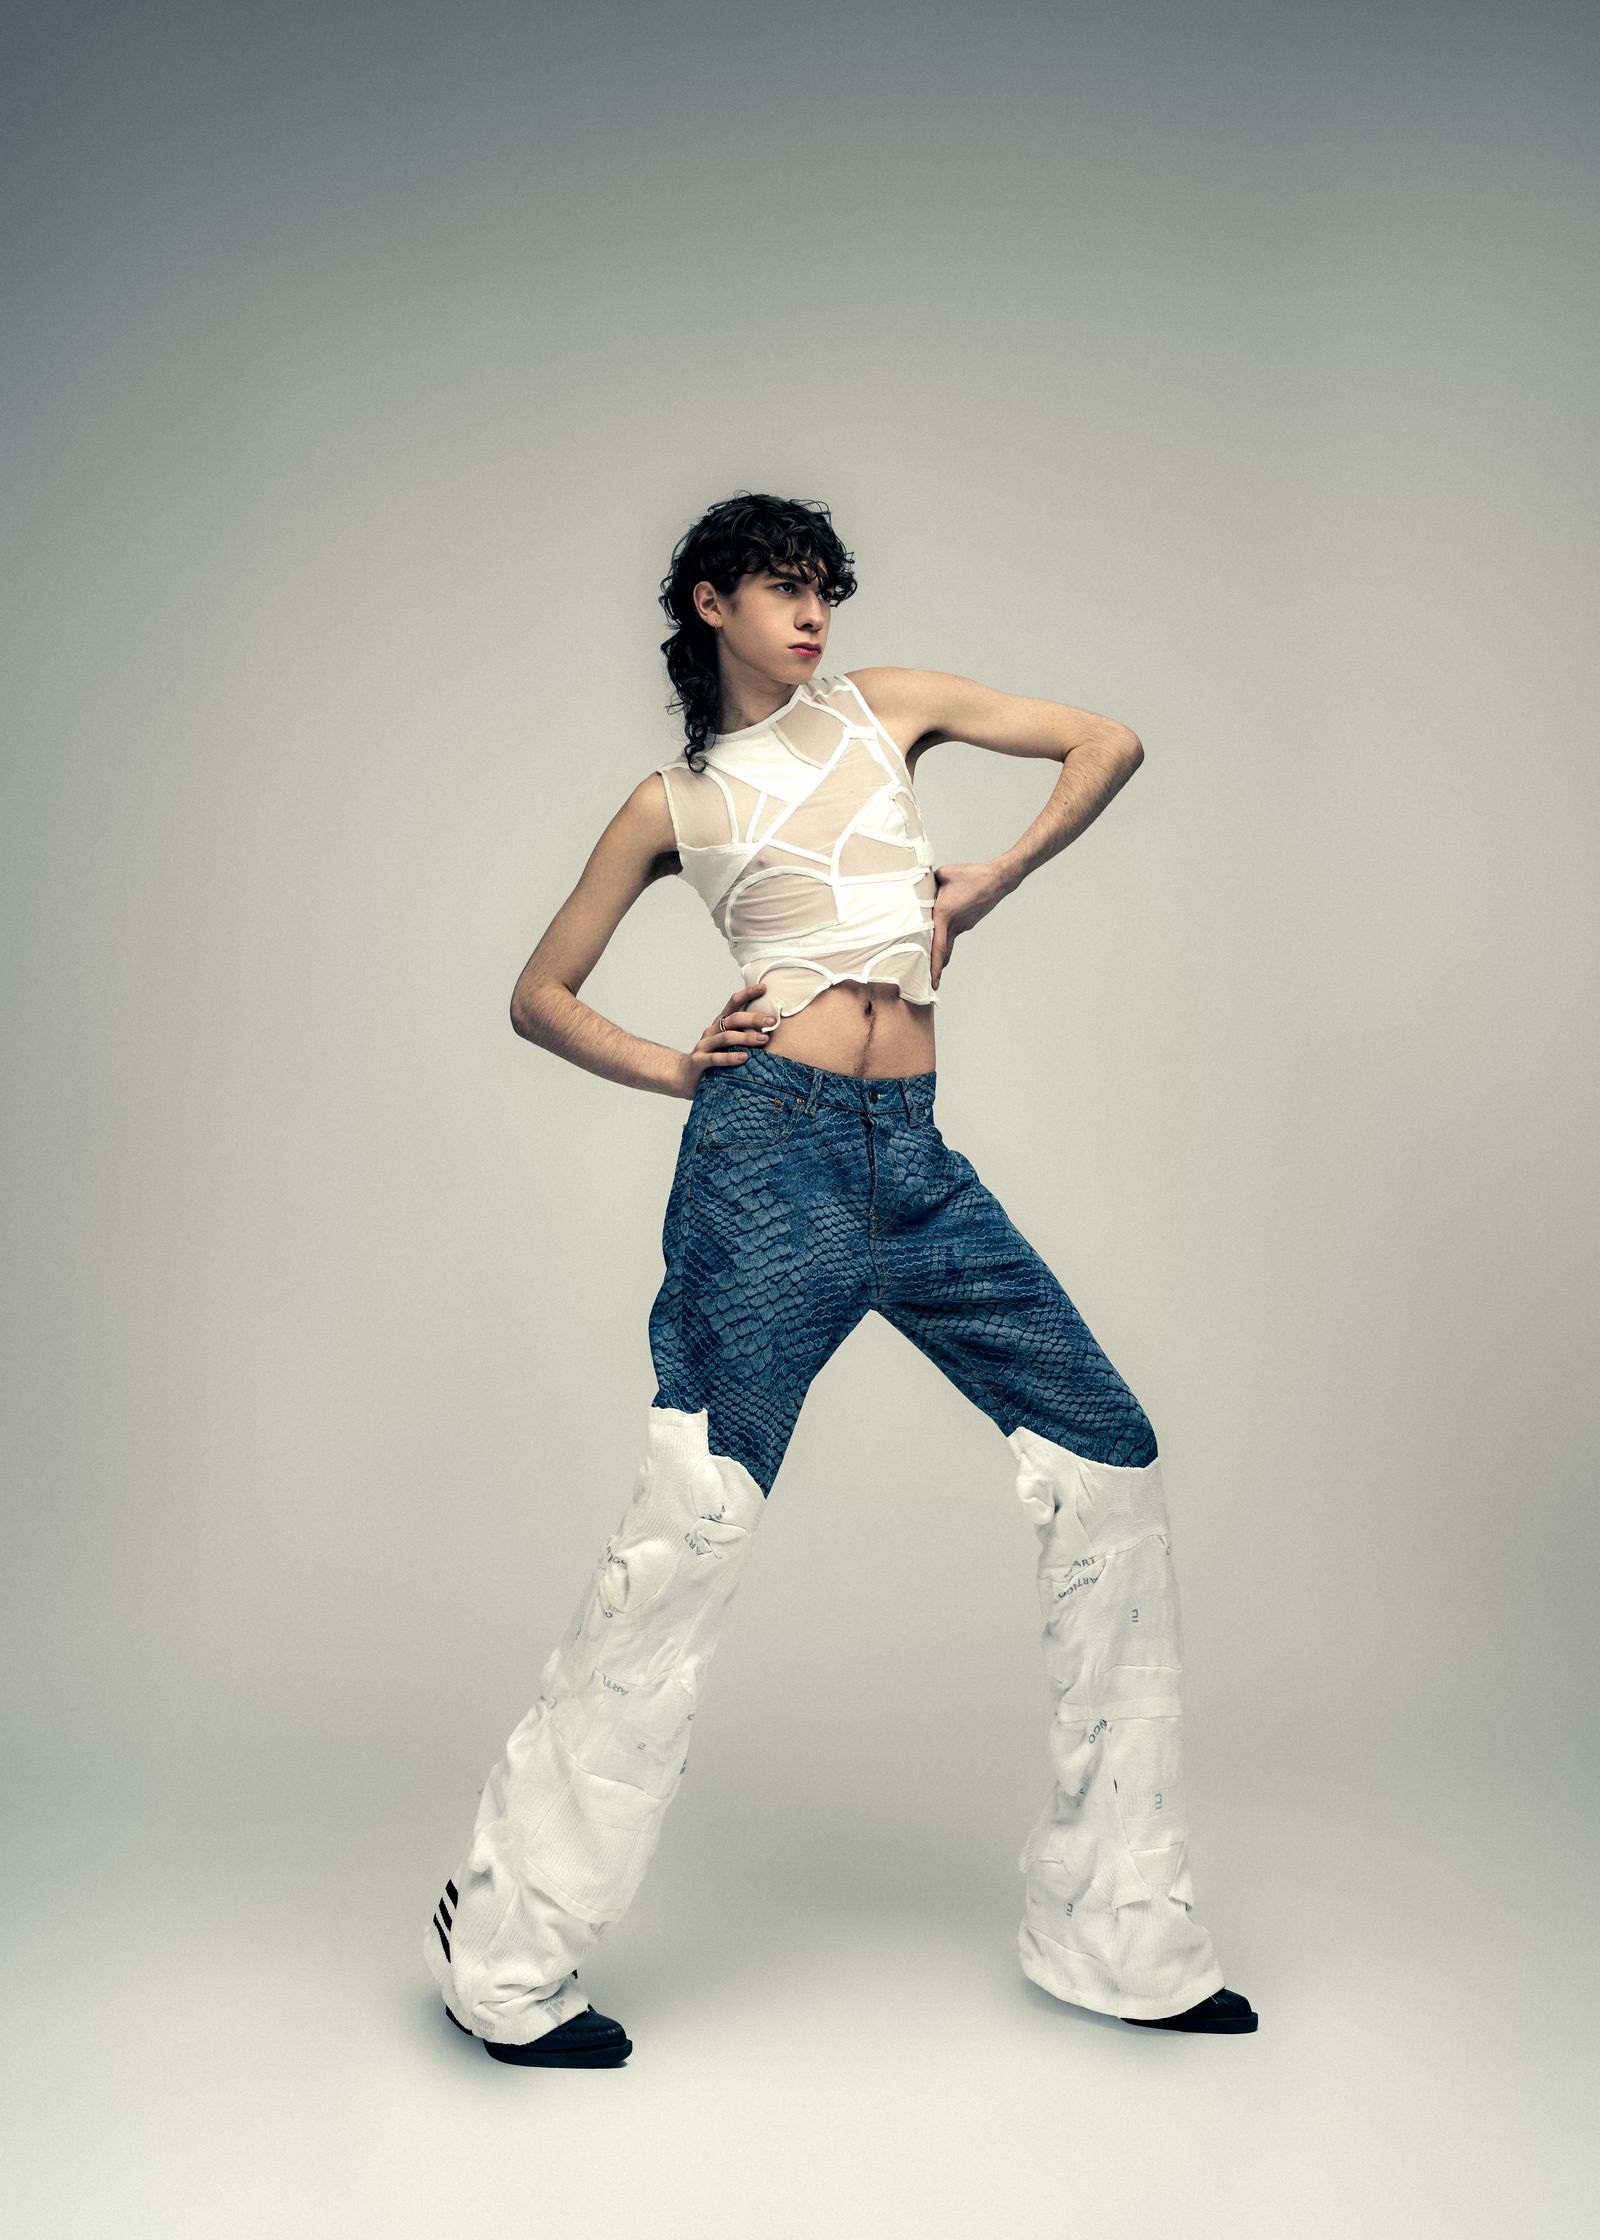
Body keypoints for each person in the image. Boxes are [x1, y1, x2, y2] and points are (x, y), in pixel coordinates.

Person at [424, 491, 1258, 2066]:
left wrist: (991, 880)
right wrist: (681, 1070)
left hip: (916, 1165)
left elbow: (1109, 740)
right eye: (785, 590)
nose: (815, 617)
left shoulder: (888, 712)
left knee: (1110, 1462)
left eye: (827, 591)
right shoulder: (672, 801)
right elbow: (539, 992)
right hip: (769, 1168)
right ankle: (507, 1950)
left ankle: (1113, 1928)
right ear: (706, 601)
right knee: (695, 1525)